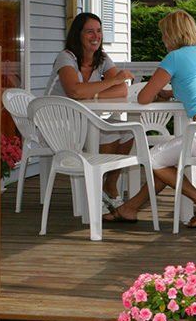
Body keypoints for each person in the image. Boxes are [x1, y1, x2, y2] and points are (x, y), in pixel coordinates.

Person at [103, 10, 196, 229]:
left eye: (164, 34)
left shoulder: (174, 58)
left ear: (172, 35)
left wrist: (155, 92)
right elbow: (194, 88)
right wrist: (168, 93)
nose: (162, 39)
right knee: (163, 161)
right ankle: (129, 208)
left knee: (153, 159)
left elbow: (143, 98)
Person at [48, 12, 135, 205]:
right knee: (108, 133)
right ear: (78, 34)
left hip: (82, 120)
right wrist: (111, 81)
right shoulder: (66, 57)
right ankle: (96, 190)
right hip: (57, 124)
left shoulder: (101, 59)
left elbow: (122, 90)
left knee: (128, 132)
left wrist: (92, 94)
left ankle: (109, 185)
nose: (96, 36)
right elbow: (74, 91)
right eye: (90, 31)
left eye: (99, 31)